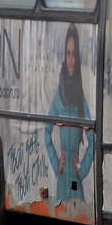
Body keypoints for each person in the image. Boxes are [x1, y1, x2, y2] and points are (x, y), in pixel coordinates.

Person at [44, 24, 95, 206]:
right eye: (68, 53)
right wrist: (56, 162)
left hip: (76, 182)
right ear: (64, 57)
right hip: (62, 180)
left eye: (74, 54)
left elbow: (93, 136)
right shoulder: (60, 93)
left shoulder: (80, 96)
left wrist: (83, 167)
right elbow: (46, 129)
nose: (71, 60)